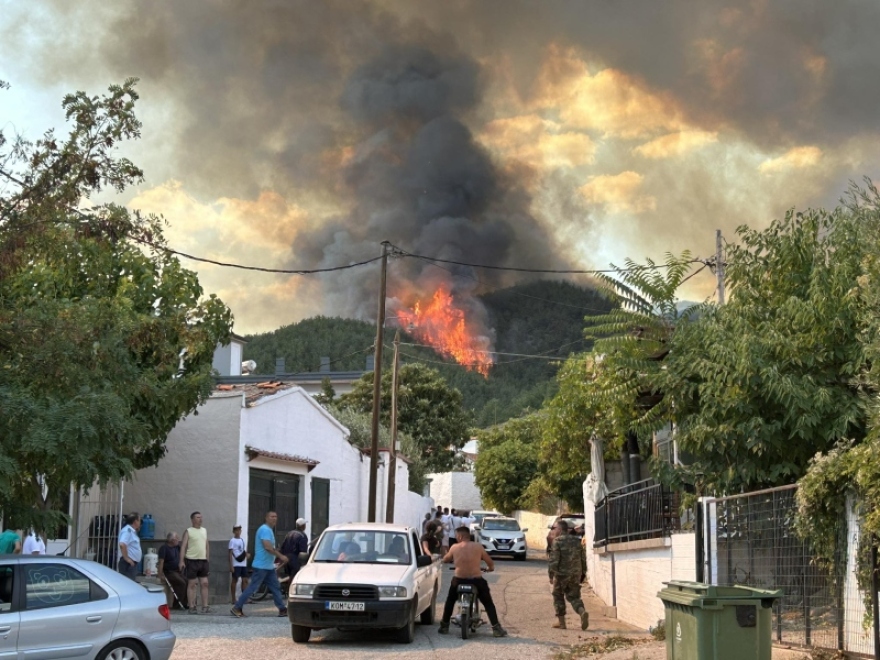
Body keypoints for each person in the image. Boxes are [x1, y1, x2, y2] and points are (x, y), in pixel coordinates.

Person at [438, 526, 507, 638]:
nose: (456, 537)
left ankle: (444, 626)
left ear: (460, 536)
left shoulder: (454, 547)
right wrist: (490, 568)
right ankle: (496, 628)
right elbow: (490, 562)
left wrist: (447, 558)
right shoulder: (478, 547)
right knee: (488, 603)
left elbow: (446, 559)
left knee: (450, 601)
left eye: (456, 536)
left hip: (458, 580)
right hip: (476, 580)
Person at [231, 511, 288, 618]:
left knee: (275, 587)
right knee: (252, 587)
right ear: (266, 518)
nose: (274, 518)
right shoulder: (265, 529)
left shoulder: (268, 530)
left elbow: (270, 547)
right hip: (261, 566)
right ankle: (237, 607)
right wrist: (281, 556)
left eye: (276, 516)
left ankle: (282, 609)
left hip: (268, 566)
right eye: (272, 516)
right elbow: (267, 547)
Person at [548, 519, 589, 630]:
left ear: (560, 529)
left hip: (561, 575)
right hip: (575, 574)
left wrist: (551, 575)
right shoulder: (577, 541)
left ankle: (561, 623)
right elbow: (583, 559)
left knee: (558, 596)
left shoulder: (558, 541)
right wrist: (583, 573)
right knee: (574, 596)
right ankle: (582, 612)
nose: (553, 531)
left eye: (554, 528)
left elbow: (554, 560)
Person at [179, 511, 211, 614]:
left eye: (201, 517)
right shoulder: (188, 531)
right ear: (192, 519)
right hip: (191, 560)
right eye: (198, 517)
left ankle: (205, 606)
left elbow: (206, 545)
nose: (200, 519)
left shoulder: (204, 531)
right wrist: (181, 561)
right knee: (192, 584)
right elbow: (183, 546)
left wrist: (207, 558)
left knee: (205, 583)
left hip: (202, 561)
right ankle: (192, 607)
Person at [158, 532, 188, 610]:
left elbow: (182, 554)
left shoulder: (177, 547)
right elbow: (161, 562)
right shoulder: (164, 548)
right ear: (172, 540)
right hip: (169, 571)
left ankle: (185, 603)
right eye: (176, 538)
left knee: (187, 581)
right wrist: (160, 575)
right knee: (181, 582)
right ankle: (177, 604)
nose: (178, 540)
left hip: (178, 571)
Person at [280, 518, 308, 582]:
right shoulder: (302, 536)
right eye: (305, 525)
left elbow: (283, 546)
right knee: (295, 578)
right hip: (295, 560)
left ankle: (286, 590)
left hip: (286, 559)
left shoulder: (289, 533)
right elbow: (303, 551)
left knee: (289, 576)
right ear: (302, 526)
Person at [117, 513, 142, 581]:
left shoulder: (132, 531)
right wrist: (127, 559)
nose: (140, 522)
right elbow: (122, 544)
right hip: (127, 564)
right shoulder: (127, 531)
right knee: (128, 585)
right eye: (139, 520)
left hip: (131, 563)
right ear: (135, 521)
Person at [228, 525, 249, 604]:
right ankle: (233, 599)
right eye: (236, 530)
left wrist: (246, 555)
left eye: (239, 530)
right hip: (236, 563)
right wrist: (231, 565)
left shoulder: (243, 540)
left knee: (245, 580)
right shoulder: (232, 541)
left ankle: (244, 598)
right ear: (234, 531)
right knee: (235, 580)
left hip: (243, 563)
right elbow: (230, 553)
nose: (238, 532)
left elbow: (243, 551)